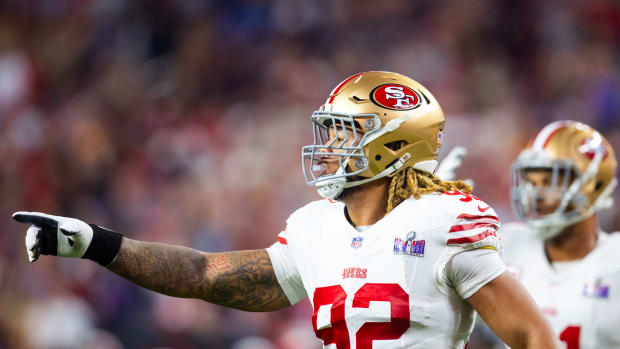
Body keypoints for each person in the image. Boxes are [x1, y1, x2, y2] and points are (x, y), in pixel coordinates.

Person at [12, 71, 559, 349]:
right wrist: (95, 243)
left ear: (392, 144)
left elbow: (535, 338)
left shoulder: (443, 219)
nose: (327, 147)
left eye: (344, 133)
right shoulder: (313, 227)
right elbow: (204, 274)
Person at [500, 120, 620, 348]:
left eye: (549, 181)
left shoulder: (615, 265)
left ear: (592, 185)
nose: (535, 195)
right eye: (530, 182)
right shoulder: (507, 244)